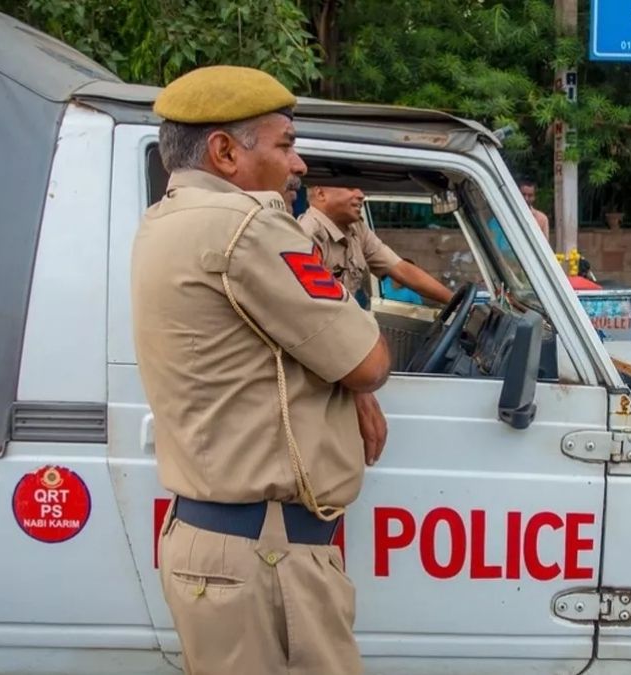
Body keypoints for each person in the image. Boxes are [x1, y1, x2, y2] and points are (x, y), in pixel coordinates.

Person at [130, 65, 392, 675]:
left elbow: (267, 353)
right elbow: (369, 361)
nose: (300, 165)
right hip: (265, 557)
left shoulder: (165, 219)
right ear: (224, 151)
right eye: (286, 144)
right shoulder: (247, 226)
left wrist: (344, 382)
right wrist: (352, 381)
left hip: (221, 544)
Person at [299, 185, 454, 307]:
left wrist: (454, 301)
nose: (361, 195)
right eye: (350, 188)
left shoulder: (356, 229)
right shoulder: (307, 236)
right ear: (321, 194)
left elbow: (402, 269)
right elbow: (314, 310)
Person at [518, 178, 550, 243]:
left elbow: (545, 244)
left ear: (534, 197)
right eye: (523, 194)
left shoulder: (542, 219)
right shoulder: (508, 214)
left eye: (530, 195)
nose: (526, 199)